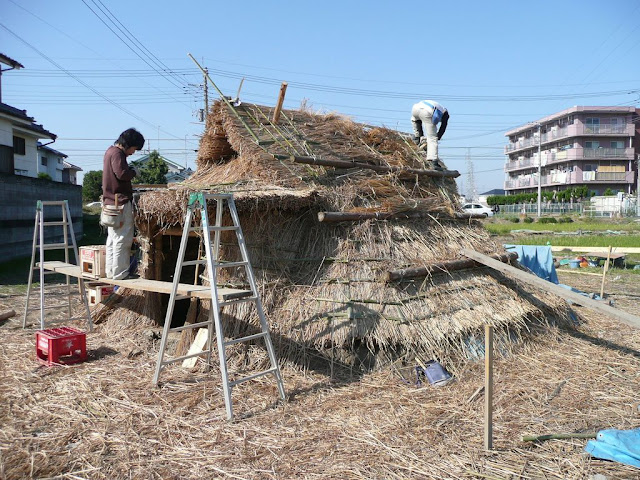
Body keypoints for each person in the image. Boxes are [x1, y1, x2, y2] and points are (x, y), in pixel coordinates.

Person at [101, 128, 145, 280]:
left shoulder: (109, 152)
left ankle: (111, 272)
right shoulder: (118, 154)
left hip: (110, 203)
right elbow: (122, 174)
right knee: (123, 239)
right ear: (129, 144)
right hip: (120, 202)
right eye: (134, 148)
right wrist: (133, 172)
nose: (133, 152)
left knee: (112, 239)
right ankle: (121, 274)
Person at [410, 100, 449, 166]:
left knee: (415, 120)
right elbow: (443, 126)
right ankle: (433, 161)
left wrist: (421, 135)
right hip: (426, 111)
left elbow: (419, 121)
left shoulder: (438, 107)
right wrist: (438, 136)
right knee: (432, 138)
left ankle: (417, 138)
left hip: (415, 108)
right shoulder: (445, 114)